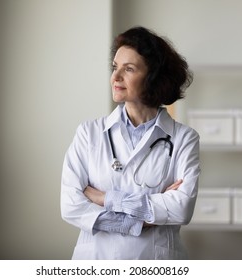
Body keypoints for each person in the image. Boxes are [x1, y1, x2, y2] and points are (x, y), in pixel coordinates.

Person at [61, 26, 200, 260]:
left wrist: (106, 199)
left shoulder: (183, 138)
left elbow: (181, 208)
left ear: (153, 77)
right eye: (115, 67)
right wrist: (135, 223)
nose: (115, 77)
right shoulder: (89, 133)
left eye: (129, 69)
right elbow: (71, 205)